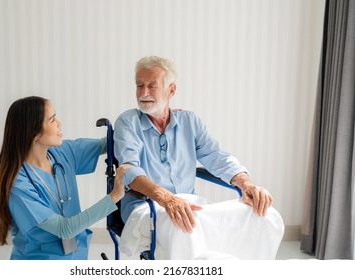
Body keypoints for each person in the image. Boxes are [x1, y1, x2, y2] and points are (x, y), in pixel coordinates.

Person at [113, 55, 285, 260]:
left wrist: (246, 184)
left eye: (152, 86)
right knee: (185, 227)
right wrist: (167, 198)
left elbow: (218, 157)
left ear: (171, 90)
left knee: (263, 216)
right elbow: (129, 170)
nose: (143, 92)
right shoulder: (128, 122)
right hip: (146, 206)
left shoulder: (190, 121)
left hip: (190, 204)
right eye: (139, 85)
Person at [0, 96, 130, 260]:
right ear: (34, 133)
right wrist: (114, 196)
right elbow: (64, 229)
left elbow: (109, 143)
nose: (60, 122)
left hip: (76, 256)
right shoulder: (18, 185)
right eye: (52, 120)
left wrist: (145, 120)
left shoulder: (61, 153)